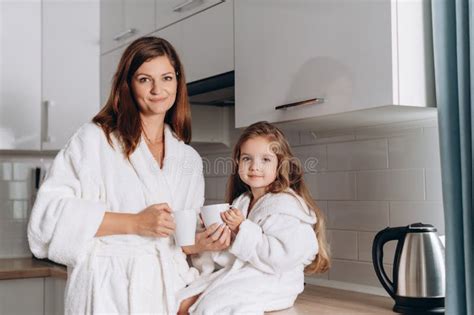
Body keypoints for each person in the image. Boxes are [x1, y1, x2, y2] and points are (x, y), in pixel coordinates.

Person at [27, 36, 231, 314]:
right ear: (128, 84)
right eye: (145, 79)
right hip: (107, 292)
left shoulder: (189, 160)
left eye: (167, 78)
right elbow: (45, 223)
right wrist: (135, 223)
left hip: (166, 294)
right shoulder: (95, 140)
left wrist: (199, 243)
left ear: (178, 83)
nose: (158, 89)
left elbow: (178, 243)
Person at [178, 121, 331, 314]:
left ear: (280, 164)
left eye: (265, 159)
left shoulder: (285, 206)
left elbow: (282, 256)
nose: (254, 167)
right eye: (247, 159)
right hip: (247, 275)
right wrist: (213, 231)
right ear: (238, 162)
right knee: (180, 302)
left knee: (208, 307)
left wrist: (242, 229)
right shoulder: (242, 201)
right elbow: (233, 256)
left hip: (275, 282)